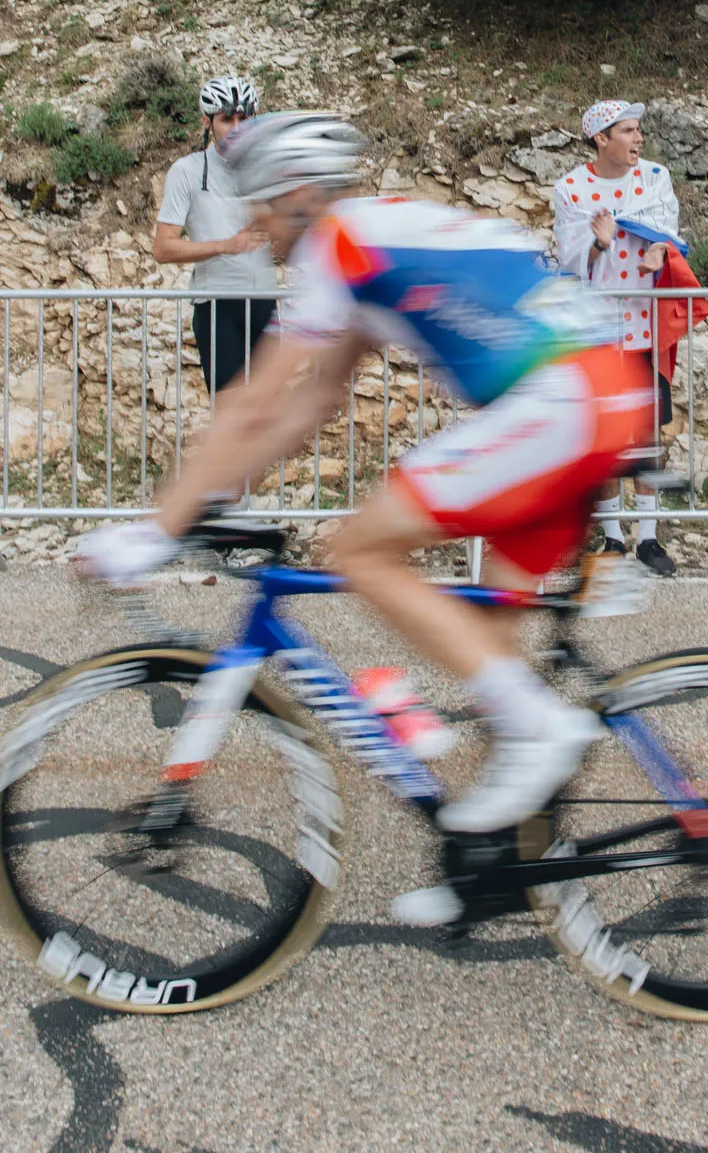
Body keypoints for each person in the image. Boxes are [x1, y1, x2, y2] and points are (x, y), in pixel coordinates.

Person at [82, 113, 653, 924]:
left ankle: (542, 735)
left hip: (565, 398)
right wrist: (211, 500)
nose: (258, 227)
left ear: (306, 196)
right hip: (594, 397)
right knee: (490, 659)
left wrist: (153, 531)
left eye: (268, 207)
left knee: (359, 549)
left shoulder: (337, 242)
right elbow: (308, 404)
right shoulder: (368, 239)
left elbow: (249, 402)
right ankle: (493, 872)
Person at [553, 100, 680, 576]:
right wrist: (599, 242)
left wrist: (660, 254)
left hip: (646, 325)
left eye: (638, 129)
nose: (638, 138)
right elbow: (568, 258)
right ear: (601, 138)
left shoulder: (654, 177)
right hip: (597, 328)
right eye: (628, 130)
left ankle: (648, 539)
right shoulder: (570, 187)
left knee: (647, 433)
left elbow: (670, 231)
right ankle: (612, 536)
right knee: (602, 434)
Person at [154, 75, 276, 396]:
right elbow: (163, 248)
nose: (236, 128)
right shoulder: (188, 171)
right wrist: (225, 245)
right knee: (230, 413)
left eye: (244, 118)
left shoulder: (268, 168)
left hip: (265, 302)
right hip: (217, 305)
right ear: (207, 121)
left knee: (270, 414)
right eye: (226, 119)